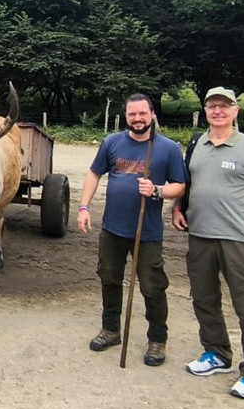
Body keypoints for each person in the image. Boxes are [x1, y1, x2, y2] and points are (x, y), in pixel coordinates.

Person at [171, 86, 244, 400]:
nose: (218, 111)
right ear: (205, 111)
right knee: (204, 299)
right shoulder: (196, 145)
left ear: (235, 111)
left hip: (241, 239)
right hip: (200, 235)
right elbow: (188, 185)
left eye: (224, 106)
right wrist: (178, 207)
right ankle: (216, 353)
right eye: (212, 106)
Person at [76, 94, 187, 366]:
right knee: (109, 279)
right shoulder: (112, 143)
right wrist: (83, 207)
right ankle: (111, 329)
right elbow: (94, 174)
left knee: (152, 287)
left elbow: (181, 186)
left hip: (147, 233)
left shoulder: (167, 148)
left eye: (142, 113)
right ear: (125, 116)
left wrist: (157, 190)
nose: (137, 119)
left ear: (152, 115)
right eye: (132, 114)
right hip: (113, 228)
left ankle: (157, 340)